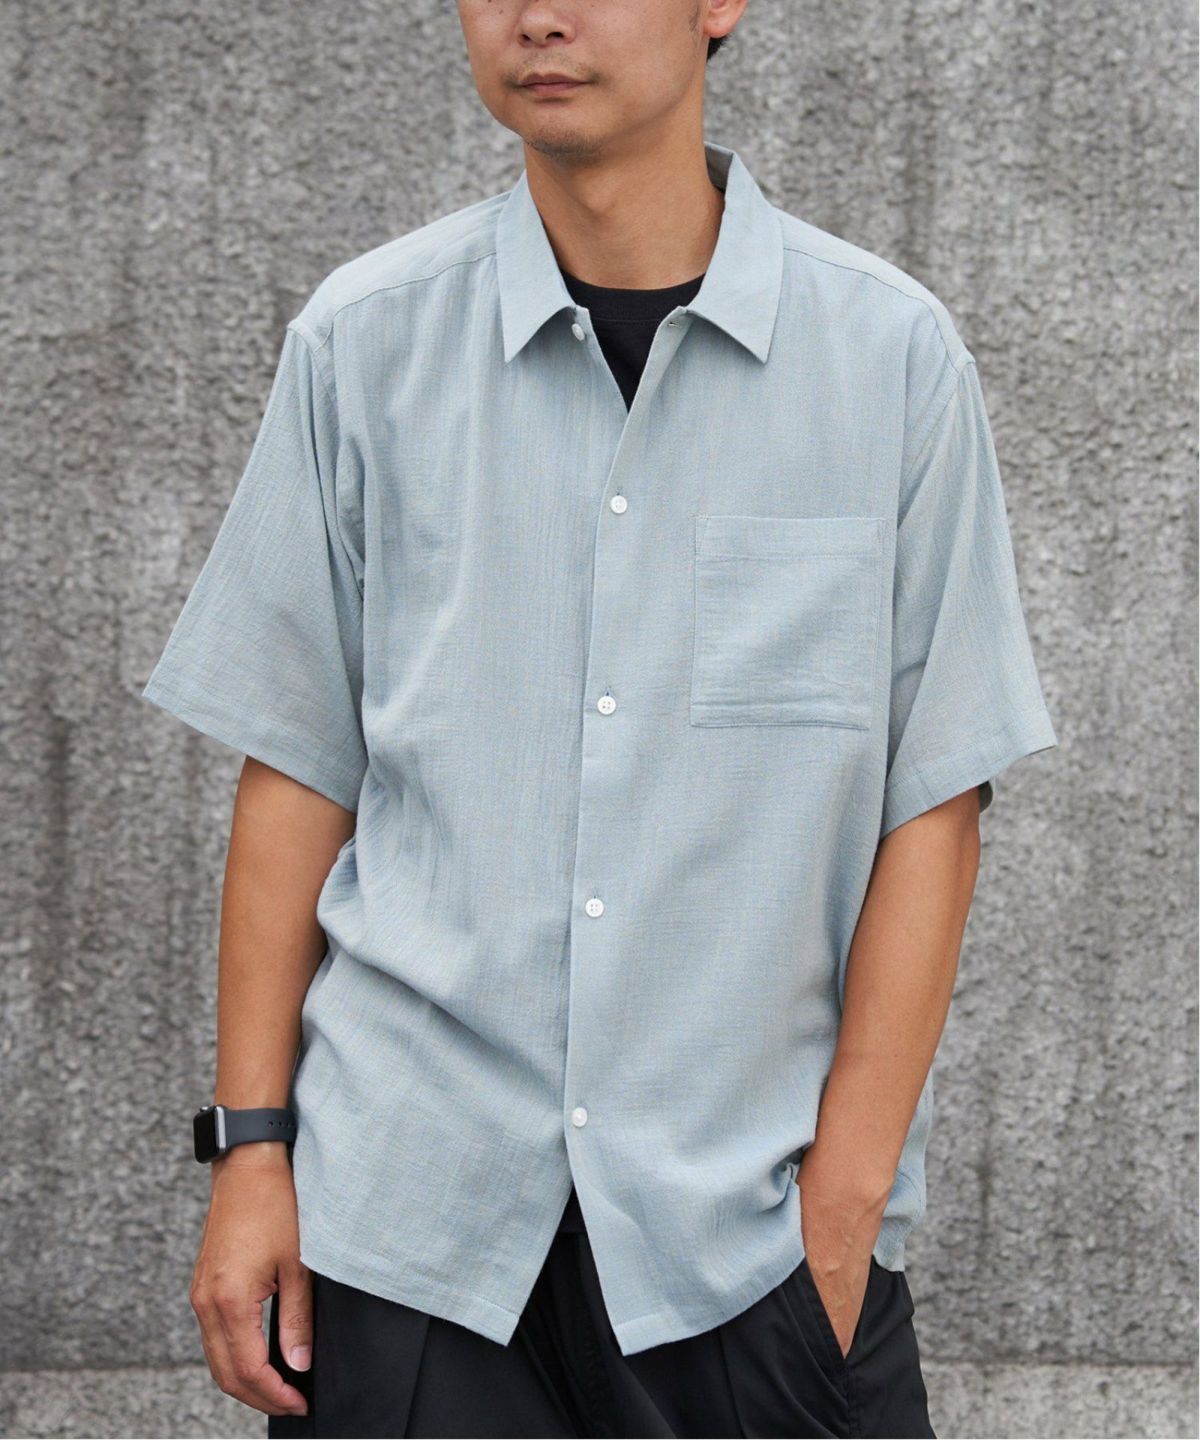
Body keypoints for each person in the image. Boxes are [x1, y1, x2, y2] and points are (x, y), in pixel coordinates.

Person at [142, 2, 1059, 1435]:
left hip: (746, 1242)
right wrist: (252, 1152)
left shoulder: (888, 358)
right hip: (409, 1237)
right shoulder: (364, 342)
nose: (538, 16)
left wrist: (842, 1213)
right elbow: (299, 775)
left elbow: (931, 807)